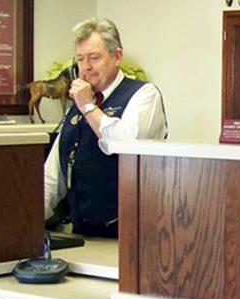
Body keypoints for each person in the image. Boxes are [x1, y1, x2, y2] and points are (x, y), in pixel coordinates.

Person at [44, 18, 167, 237]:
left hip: (131, 235)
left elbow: (124, 144)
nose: (86, 68)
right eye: (80, 59)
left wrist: (89, 107)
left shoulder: (144, 95)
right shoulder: (78, 107)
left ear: (117, 56)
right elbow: (52, 178)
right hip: (82, 233)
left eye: (94, 58)